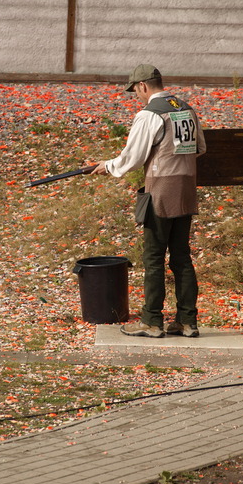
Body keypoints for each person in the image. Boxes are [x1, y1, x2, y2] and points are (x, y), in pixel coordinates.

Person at [92, 64, 206, 338]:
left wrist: (107, 166)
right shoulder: (186, 109)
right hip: (186, 190)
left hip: (160, 193)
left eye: (135, 91)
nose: (137, 96)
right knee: (181, 258)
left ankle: (152, 321)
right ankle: (188, 321)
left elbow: (133, 157)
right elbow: (200, 148)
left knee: (153, 258)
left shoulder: (149, 115)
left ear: (142, 85)